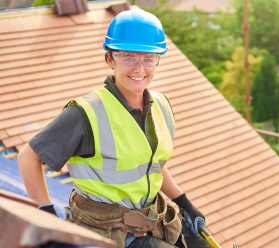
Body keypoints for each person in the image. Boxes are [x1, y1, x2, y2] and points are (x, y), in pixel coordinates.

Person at [17, 9, 210, 248]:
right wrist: (46, 216)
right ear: (110, 60)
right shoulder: (86, 112)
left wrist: (184, 203)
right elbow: (28, 157)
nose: (140, 68)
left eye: (148, 58)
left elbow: (152, 164)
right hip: (108, 231)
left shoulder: (160, 105)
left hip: (151, 221)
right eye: (128, 57)